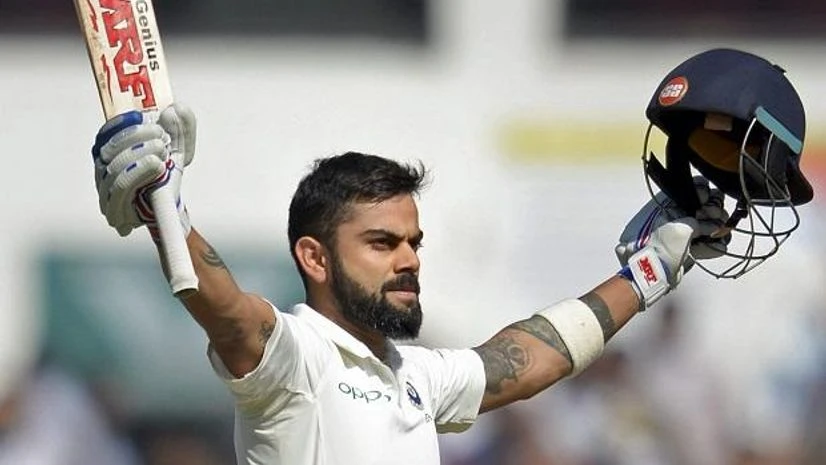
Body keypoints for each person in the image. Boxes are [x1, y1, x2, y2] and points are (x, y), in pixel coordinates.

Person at [87, 48, 809, 464]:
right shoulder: (295, 358)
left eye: (413, 242)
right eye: (380, 242)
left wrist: (646, 275)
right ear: (312, 256)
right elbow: (227, 312)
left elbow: (527, 362)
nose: (408, 260)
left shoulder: (413, 375)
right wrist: (165, 213)